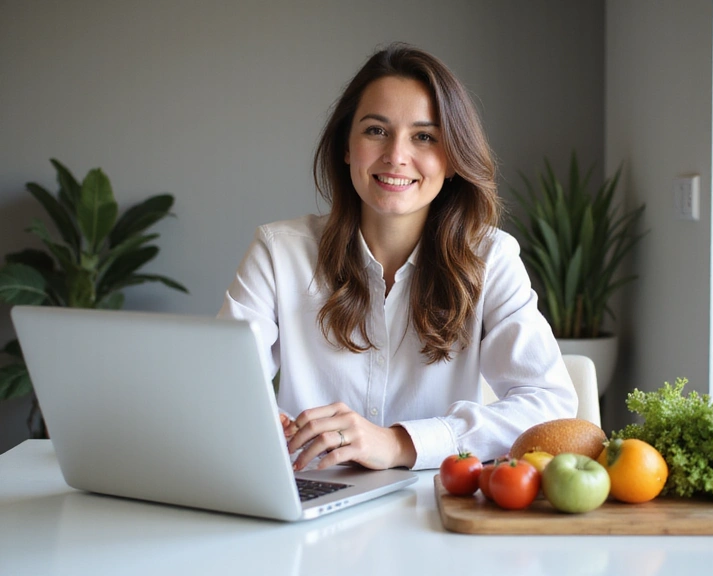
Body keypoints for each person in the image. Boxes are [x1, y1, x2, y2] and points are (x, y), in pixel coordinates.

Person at [217, 42, 577, 472]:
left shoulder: (491, 258)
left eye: (424, 136)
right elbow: (218, 385)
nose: (396, 156)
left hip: (433, 508)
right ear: (346, 146)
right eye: (376, 130)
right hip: (309, 503)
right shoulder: (278, 252)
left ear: (452, 160)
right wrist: (252, 418)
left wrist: (400, 443)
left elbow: (550, 406)